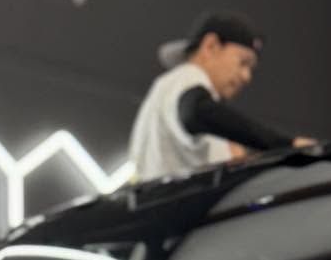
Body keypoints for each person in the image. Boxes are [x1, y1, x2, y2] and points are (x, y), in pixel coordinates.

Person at [128, 10, 314, 182]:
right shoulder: (187, 77)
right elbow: (196, 111)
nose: (246, 76)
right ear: (211, 46)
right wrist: (286, 144)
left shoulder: (167, 90)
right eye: (243, 62)